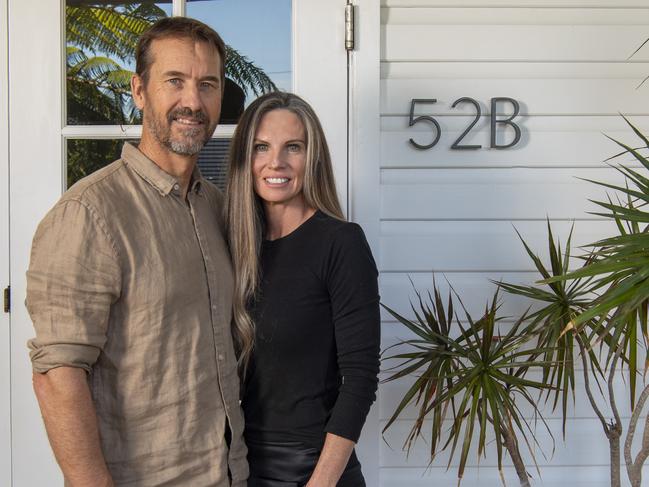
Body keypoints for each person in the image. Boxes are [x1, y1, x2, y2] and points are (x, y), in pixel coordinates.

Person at [26, 17, 247, 486]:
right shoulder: (89, 214)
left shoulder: (217, 208)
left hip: (229, 473)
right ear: (140, 90)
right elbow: (57, 374)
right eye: (175, 81)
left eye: (207, 84)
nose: (193, 101)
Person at [225, 92, 380, 487]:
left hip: (316, 469)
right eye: (262, 147)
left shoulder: (340, 243)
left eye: (292, 147)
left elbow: (360, 378)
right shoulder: (233, 246)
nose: (275, 162)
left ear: (312, 157)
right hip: (241, 466)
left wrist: (321, 482)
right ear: (246, 156)